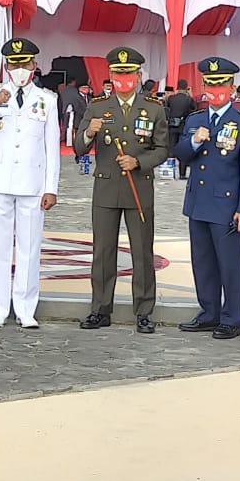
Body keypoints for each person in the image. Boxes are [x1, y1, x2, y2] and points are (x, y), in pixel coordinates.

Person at [74, 46, 168, 334]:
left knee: (142, 251)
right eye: (118, 74)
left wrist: (139, 161)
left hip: (139, 187)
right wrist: (89, 132)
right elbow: (79, 147)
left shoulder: (153, 108)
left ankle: (144, 311)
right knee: (103, 252)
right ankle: (100, 309)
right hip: (106, 187)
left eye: (128, 74)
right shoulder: (98, 107)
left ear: (138, 75)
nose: (123, 79)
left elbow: (162, 149)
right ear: (110, 75)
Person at [0, 38, 60, 328]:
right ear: (6, 67)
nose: (20, 69)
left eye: (25, 64)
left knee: (29, 248)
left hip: (32, 183)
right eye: (14, 64)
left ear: (34, 65)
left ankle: (25, 308)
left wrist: (51, 188)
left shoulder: (47, 100)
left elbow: (52, 147)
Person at [176, 57, 240, 339]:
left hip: (226, 205)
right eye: (210, 85)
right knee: (202, 263)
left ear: (232, 87)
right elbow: (181, 154)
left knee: (230, 264)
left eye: (221, 84)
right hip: (198, 202)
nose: (215, 90)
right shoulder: (195, 120)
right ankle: (209, 313)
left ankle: (231, 318)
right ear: (203, 87)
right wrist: (194, 141)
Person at [165, 80, 196, 179]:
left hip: (172, 125)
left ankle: (168, 173)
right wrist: (191, 96)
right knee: (183, 149)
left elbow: (166, 109)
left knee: (171, 149)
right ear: (186, 88)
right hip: (183, 126)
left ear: (177, 87)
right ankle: (182, 174)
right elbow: (194, 109)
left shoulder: (171, 98)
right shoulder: (188, 99)